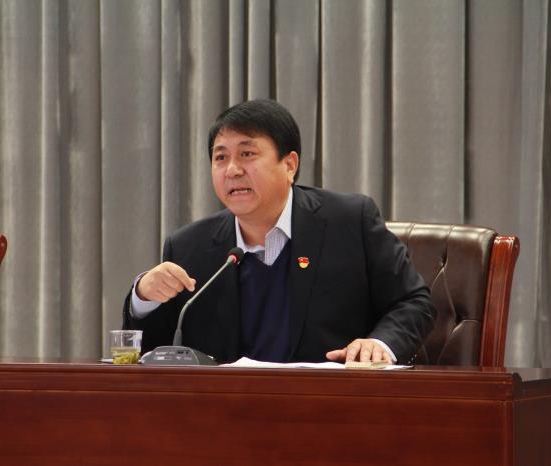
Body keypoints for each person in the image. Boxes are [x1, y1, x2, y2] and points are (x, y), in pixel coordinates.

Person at [123, 99, 436, 364]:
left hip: (330, 405)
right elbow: (152, 354)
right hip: (225, 411)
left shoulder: (349, 221)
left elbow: (413, 301)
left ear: (289, 165)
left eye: (247, 154)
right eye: (221, 157)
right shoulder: (189, 246)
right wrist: (143, 297)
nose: (232, 170)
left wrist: (379, 345)